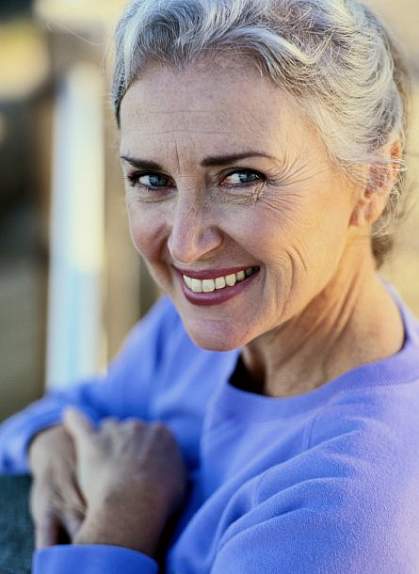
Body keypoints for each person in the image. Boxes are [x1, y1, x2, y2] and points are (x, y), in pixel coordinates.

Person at [1, 0, 419, 572]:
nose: (184, 245)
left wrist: (119, 525)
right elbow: (72, 408)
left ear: (372, 180)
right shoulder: (193, 331)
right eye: (152, 179)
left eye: (242, 178)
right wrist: (50, 441)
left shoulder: (348, 514)